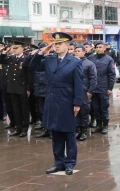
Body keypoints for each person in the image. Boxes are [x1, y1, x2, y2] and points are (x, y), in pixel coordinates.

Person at [30, 32, 83, 175]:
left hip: (67, 101)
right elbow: (33, 66)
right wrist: (42, 52)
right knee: (56, 133)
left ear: (67, 45)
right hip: (52, 100)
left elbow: (79, 84)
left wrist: (77, 103)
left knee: (69, 134)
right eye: (55, 44)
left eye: (59, 44)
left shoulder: (75, 62)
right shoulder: (49, 59)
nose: (57, 46)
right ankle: (58, 162)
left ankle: (70, 163)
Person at [0, 41, 30, 137]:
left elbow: (29, 75)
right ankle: (18, 127)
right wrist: (4, 51)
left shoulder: (26, 58)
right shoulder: (11, 58)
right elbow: (1, 60)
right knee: (15, 109)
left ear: (22, 48)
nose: (14, 49)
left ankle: (25, 128)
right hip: (12, 88)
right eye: (13, 48)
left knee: (24, 109)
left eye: (16, 48)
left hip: (22, 87)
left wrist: (28, 88)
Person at [88, 41, 116, 135]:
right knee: (95, 107)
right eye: (97, 47)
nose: (98, 48)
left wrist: (110, 88)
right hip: (93, 88)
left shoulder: (109, 59)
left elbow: (112, 75)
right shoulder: (91, 58)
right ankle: (98, 125)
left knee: (104, 107)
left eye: (100, 47)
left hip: (103, 87)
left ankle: (105, 126)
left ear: (104, 48)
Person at [74, 45, 97, 141]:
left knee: (84, 112)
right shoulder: (73, 62)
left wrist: (90, 91)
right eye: (76, 51)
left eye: (79, 51)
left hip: (85, 91)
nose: (77, 52)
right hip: (75, 91)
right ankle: (78, 130)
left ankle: (84, 131)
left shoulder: (89, 64)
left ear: (84, 52)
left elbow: (93, 78)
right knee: (76, 112)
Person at [31, 42, 51, 138]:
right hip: (40, 89)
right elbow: (31, 65)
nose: (43, 51)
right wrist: (38, 54)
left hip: (50, 90)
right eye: (41, 49)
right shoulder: (40, 59)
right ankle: (46, 128)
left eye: (45, 49)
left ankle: (52, 130)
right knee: (42, 110)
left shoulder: (52, 58)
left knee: (50, 111)